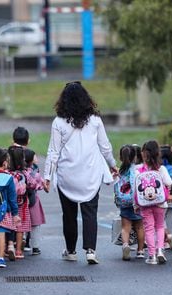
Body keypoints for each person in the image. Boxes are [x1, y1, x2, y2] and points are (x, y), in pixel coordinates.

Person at [44, 81, 117, 264]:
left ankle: (71, 250)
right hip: (90, 173)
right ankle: (91, 250)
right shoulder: (95, 120)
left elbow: (53, 151)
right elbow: (104, 146)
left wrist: (47, 176)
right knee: (90, 212)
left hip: (67, 174)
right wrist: (112, 164)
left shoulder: (58, 121)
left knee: (68, 214)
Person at [135, 140, 172, 265]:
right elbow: (169, 182)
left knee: (149, 228)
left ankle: (152, 255)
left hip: (145, 204)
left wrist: (136, 204)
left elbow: (135, 187)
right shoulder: (161, 169)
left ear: (144, 154)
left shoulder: (139, 170)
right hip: (160, 203)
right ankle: (160, 250)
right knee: (160, 226)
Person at [114, 145, 144, 260]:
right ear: (135, 157)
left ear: (121, 158)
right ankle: (140, 251)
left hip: (124, 203)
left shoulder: (120, 171)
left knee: (125, 228)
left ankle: (125, 245)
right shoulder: (137, 171)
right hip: (136, 203)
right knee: (140, 228)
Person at [24, 148, 47, 255]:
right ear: (31, 160)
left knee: (22, 223)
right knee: (35, 224)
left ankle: (22, 242)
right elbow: (40, 185)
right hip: (33, 200)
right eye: (35, 156)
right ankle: (35, 246)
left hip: (22, 200)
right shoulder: (35, 173)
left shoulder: (21, 172)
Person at [161, 144, 172, 249]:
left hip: (161, 197)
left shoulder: (160, 168)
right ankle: (170, 235)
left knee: (161, 220)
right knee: (170, 218)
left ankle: (164, 240)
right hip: (171, 196)